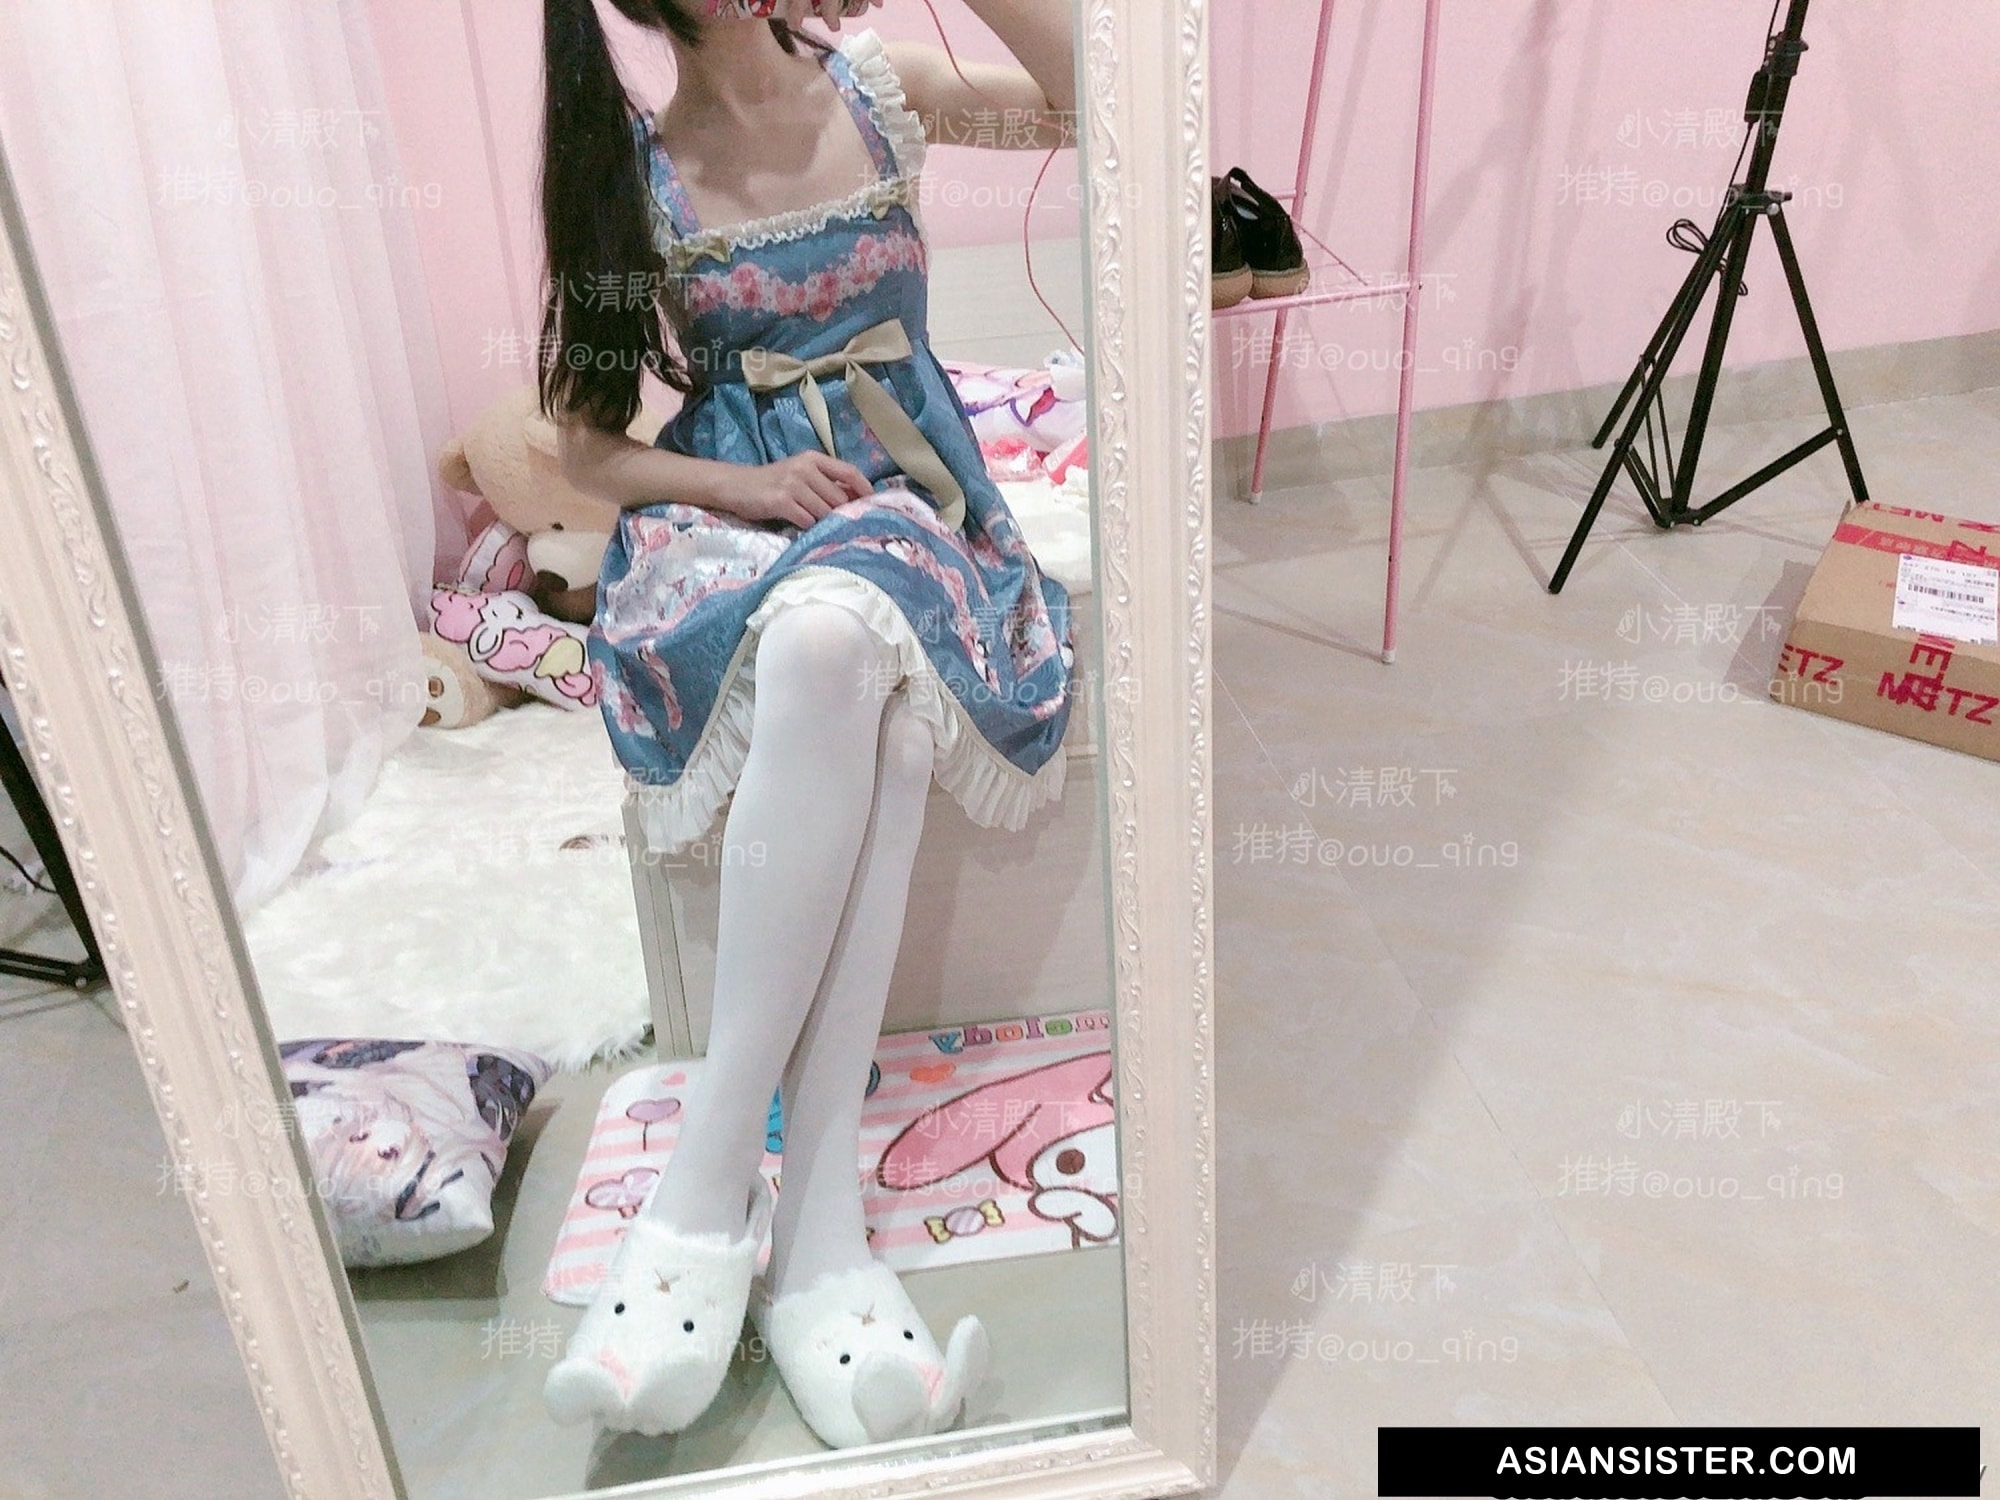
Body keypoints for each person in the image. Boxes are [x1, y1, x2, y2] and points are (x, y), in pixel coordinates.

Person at [534, 0, 1080, 1449]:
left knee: (840, 635)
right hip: (738, 516)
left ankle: (703, 1199)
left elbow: (1094, 101)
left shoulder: (884, 87)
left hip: (910, 494)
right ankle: (819, 1237)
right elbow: (584, 447)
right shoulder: (634, 177)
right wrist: (744, 489)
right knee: (868, 702)